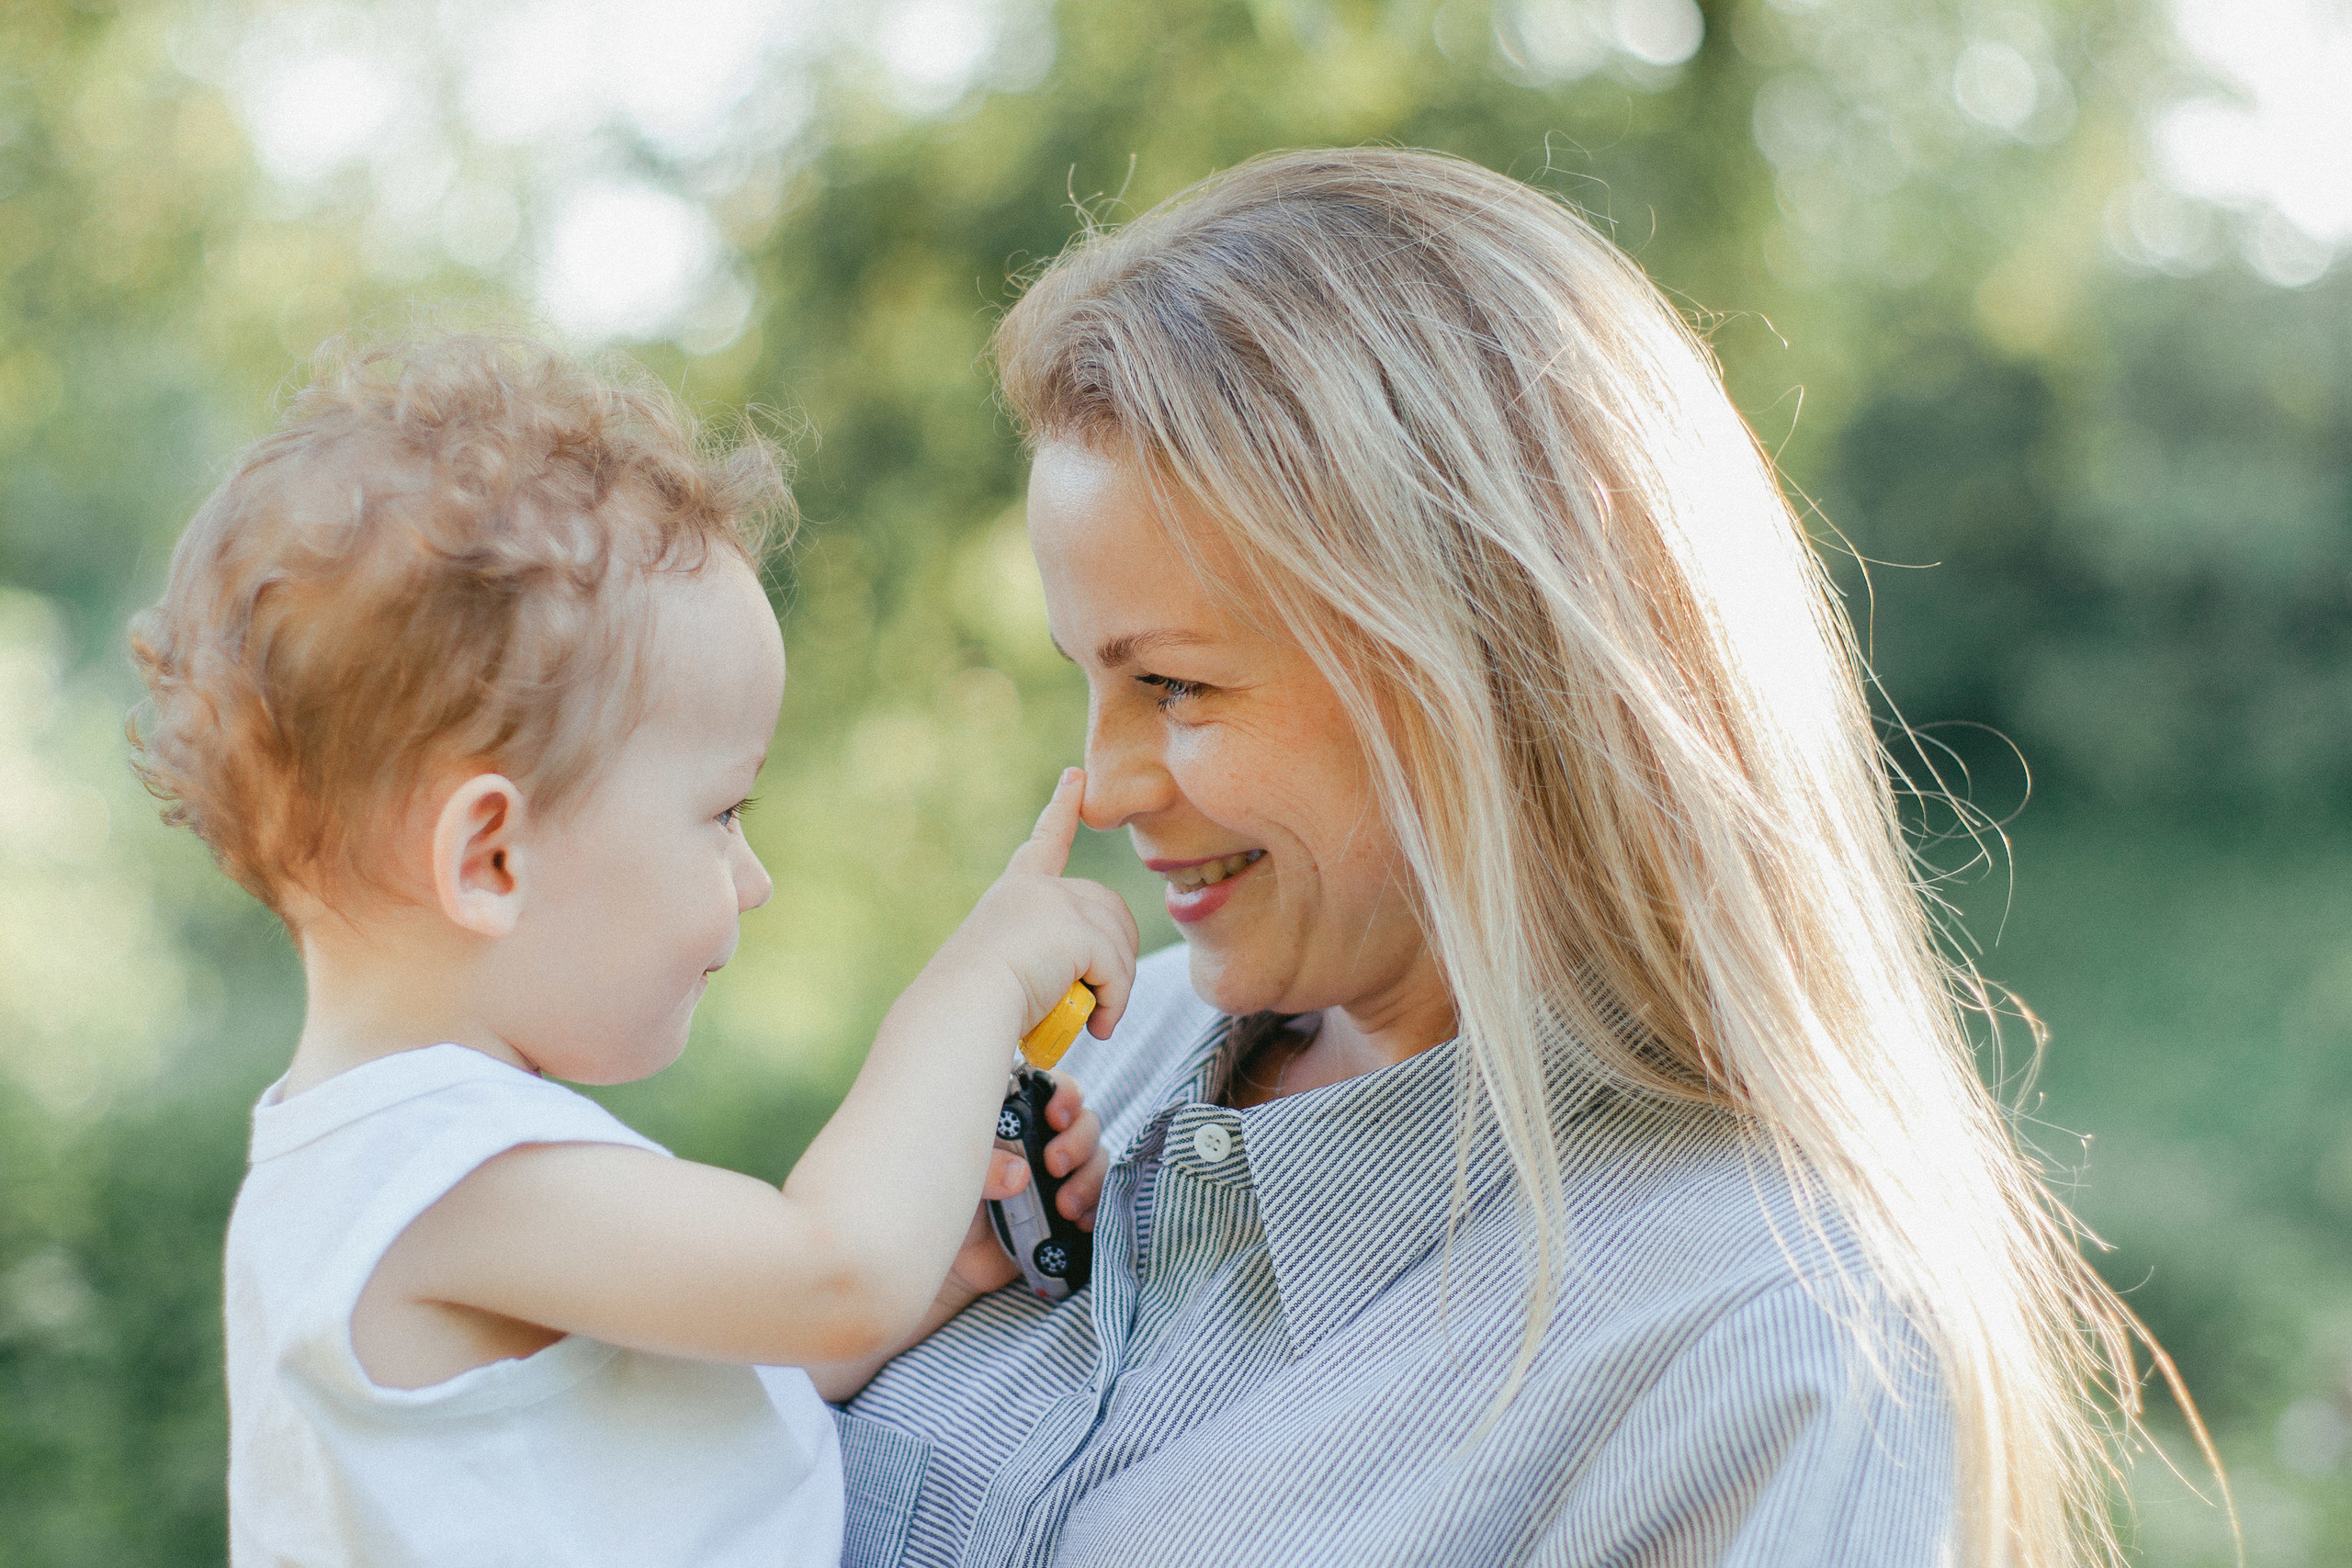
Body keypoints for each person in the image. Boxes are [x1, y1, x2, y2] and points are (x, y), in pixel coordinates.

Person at [836, 148, 2182, 1568]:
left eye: (1175, 685)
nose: (1105, 789)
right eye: (1086, 680)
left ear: (1493, 650)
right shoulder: (1089, 1068)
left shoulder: (1778, 1354)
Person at [126, 333, 1136, 1568]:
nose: (753, 881)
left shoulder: (384, 1167)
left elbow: (697, 1410)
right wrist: (978, 982)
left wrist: (946, 1267)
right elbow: (833, 1272)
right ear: (491, 858)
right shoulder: (434, 1172)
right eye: (721, 814)